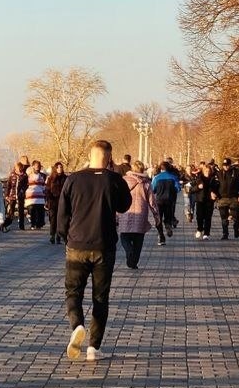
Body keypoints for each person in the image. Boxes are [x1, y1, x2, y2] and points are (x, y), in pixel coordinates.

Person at [58, 139, 132, 362]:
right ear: (109, 157)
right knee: (100, 297)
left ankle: (77, 325)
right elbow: (124, 206)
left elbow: (62, 214)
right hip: (104, 246)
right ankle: (93, 348)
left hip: (77, 245)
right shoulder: (115, 180)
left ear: (90, 155)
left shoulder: (73, 179)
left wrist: (65, 237)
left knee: (73, 292)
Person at [118, 161, 161, 269]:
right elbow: (152, 202)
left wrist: (115, 213)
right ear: (142, 170)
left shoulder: (123, 181)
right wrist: (157, 216)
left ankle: (129, 250)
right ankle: (133, 262)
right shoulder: (146, 183)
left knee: (124, 236)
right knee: (138, 239)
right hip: (141, 214)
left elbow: (117, 198)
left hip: (125, 212)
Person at [150, 161, 181, 243]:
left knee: (158, 219)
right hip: (169, 201)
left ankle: (161, 236)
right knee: (168, 217)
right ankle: (168, 227)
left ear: (161, 168)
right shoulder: (173, 177)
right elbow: (178, 188)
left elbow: (153, 190)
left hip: (159, 201)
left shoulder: (156, 178)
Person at [216, 157, 239, 239]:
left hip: (233, 197)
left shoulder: (235, 173)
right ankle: (225, 233)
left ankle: (236, 229)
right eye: (224, 165)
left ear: (230, 165)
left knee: (235, 215)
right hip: (222, 198)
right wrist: (214, 194)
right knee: (223, 217)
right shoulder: (219, 173)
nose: (226, 167)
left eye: (227, 165)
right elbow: (215, 185)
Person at [192, 161, 217, 240]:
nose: (207, 172)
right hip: (200, 200)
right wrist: (198, 187)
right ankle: (199, 229)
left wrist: (215, 195)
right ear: (203, 171)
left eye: (209, 171)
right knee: (199, 216)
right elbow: (192, 190)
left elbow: (217, 188)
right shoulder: (199, 178)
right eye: (206, 170)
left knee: (208, 217)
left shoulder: (213, 178)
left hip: (209, 201)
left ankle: (206, 233)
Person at [45, 161, 67, 244]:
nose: (60, 169)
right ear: (55, 169)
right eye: (58, 167)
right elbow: (47, 190)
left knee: (60, 219)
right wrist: (48, 199)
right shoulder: (51, 178)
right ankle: (52, 235)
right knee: (53, 219)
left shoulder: (65, 178)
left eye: (61, 167)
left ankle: (59, 236)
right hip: (53, 201)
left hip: (62, 201)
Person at [6, 161, 29, 230]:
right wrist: (7, 195)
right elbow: (9, 185)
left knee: (21, 210)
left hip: (20, 195)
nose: (19, 170)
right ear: (15, 168)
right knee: (11, 210)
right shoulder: (12, 175)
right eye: (17, 169)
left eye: (20, 169)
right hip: (12, 195)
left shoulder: (24, 175)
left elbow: (26, 185)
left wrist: (23, 190)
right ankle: (7, 224)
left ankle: (21, 226)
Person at [25, 160, 48, 229]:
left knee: (40, 211)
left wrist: (45, 193)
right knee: (32, 211)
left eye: (38, 165)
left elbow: (44, 185)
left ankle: (39, 225)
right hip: (31, 196)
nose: (37, 166)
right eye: (36, 165)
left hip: (40, 196)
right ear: (33, 166)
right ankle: (33, 224)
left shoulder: (43, 175)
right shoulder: (28, 175)